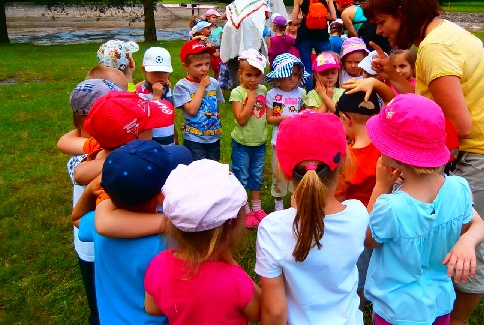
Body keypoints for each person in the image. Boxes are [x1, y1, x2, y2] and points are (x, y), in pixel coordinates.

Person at [362, 0, 484, 323]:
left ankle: (456, 319)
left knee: (472, 246)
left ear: (402, 13)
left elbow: (457, 125)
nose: (380, 31)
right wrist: (394, 78)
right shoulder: (445, 34)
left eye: (383, 22)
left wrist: (406, 156)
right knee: (450, 230)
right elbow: (427, 108)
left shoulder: (435, 49)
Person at [363, 93, 484, 325]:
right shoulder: (459, 188)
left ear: (393, 156)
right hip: (440, 302)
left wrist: (381, 186)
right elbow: (479, 225)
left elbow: (368, 239)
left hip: (397, 310)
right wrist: (468, 240)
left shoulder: (391, 207)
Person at [255, 111, 369, 325]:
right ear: (343, 162)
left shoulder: (272, 228)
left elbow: (275, 314)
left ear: (284, 170)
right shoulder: (358, 214)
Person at [72, 140, 192, 325]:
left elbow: (77, 219)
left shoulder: (101, 227)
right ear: (162, 195)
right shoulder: (172, 242)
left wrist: (90, 191)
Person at [144, 159, 261, 324]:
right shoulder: (234, 279)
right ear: (231, 227)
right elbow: (260, 313)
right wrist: (231, 262)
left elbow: (152, 308)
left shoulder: (158, 264)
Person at [56, 78, 124, 325]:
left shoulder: (89, 145)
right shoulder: (84, 158)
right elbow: (81, 173)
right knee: (101, 305)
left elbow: (66, 138)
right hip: (95, 243)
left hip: (101, 237)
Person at [334, 90, 382, 307]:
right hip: (383, 221)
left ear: (346, 119)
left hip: (356, 229)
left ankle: (357, 304)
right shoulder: (386, 149)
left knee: (358, 273)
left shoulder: (348, 159)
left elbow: (338, 199)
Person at [229, 49, 269, 228]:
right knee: (242, 175)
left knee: (256, 175)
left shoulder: (263, 90)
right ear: (240, 74)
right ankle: (244, 209)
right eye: (248, 75)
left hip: (259, 142)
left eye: (257, 75)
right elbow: (241, 119)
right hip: (242, 143)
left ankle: (257, 207)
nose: (253, 79)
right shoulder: (237, 93)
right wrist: (251, 98)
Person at [265, 53, 310, 211]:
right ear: (278, 77)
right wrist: (286, 118)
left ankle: (294, 198)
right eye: (289, 75)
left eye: (296, 75)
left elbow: (304, 113)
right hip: (279, 141)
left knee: (296, 169)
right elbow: (269, 118)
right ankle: (278, 202)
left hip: (297, 140)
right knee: (278, 171)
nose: (293, 78)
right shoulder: (272, 94)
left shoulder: (301, 93)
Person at [174, 40, 224, 161]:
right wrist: (201, 86)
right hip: (194, 139)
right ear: (186, 66)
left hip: (214, 137)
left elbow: (216, 106)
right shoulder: (182, 86)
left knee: (213, 167)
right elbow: (191, 110)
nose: (204, 69)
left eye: (207, 64)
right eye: (198, 65)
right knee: (198, 169)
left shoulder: (213, 83)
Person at [291, 0, 337, 89]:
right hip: (322, 36)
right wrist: (321, 17)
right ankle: (325, 90)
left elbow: (294, 21)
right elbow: (333, 17)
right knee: (325, 65)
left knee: (307, 67)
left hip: (305, 36)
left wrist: (306, 19)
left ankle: (310, 92)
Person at [220, 0, 270, 89]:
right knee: (253, 61)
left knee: (234, 60)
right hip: (251, 37)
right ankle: (253, 87)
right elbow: (266, 16)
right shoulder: (260, 3)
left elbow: (223, 16)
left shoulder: (236, 3)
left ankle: (237, 87)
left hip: (233, 36)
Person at [136, 47, 177, 145]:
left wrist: (175, 134)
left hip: (169, 138)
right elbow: (147, 121)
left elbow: (169, 115)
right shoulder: (141, 94)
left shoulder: (167, 90)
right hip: (153, 143)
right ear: (144, 70)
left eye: (165, 72)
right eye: (156, 72)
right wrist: (156, 98)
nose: (161, 76)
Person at [205, 8, 224, 79]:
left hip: (217, 50)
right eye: (214, 17)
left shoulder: (220, 29)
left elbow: (222, 39)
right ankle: (204, 79)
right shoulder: (206, 29)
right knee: (206, 67)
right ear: (208, 18)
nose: (216, 19)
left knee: (217, 68)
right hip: (208, 50)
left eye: (216, 18)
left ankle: (216, 81)